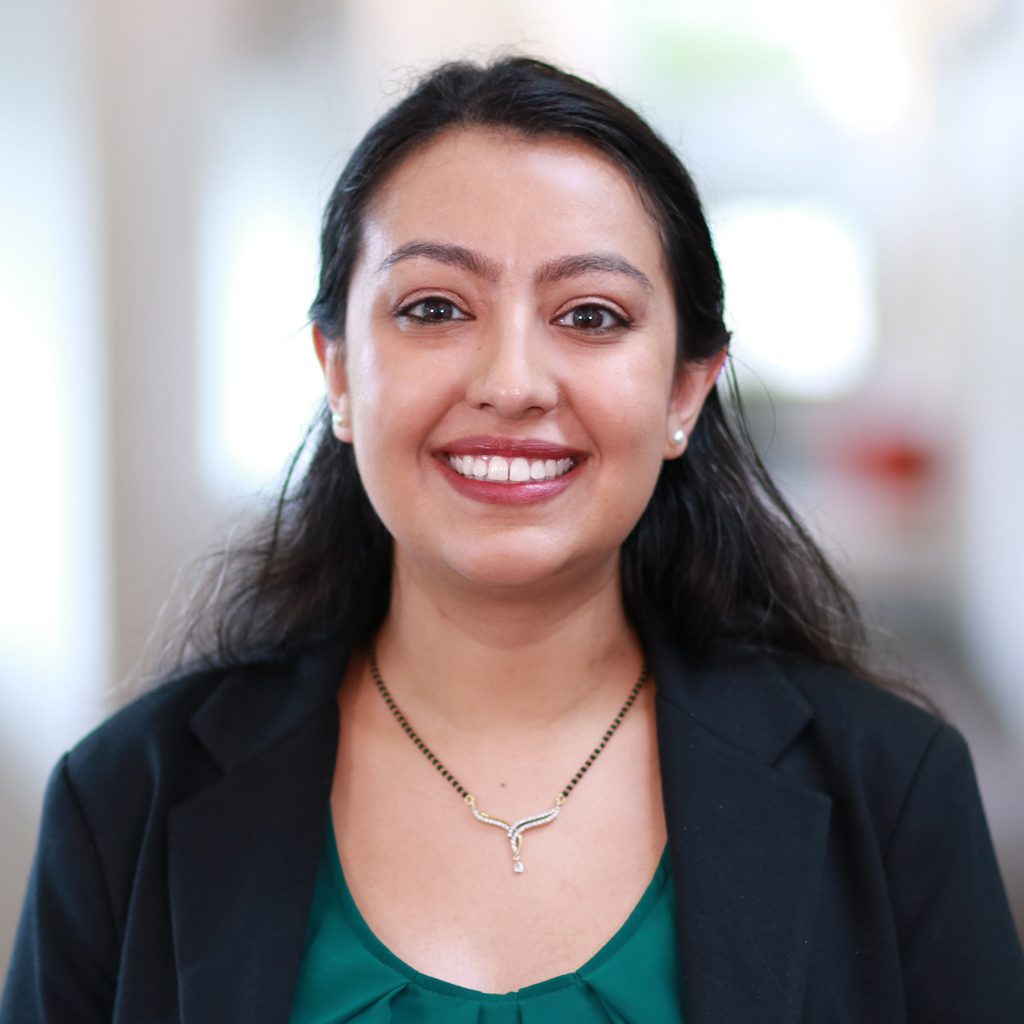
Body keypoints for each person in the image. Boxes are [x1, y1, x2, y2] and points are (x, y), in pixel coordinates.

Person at [3, 56, 1023, 1024]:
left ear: (685, 389)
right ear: (339, 373)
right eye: (434, 307)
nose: (511, 382)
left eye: (589, 314)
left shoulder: (893, 791)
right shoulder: (125, 801)